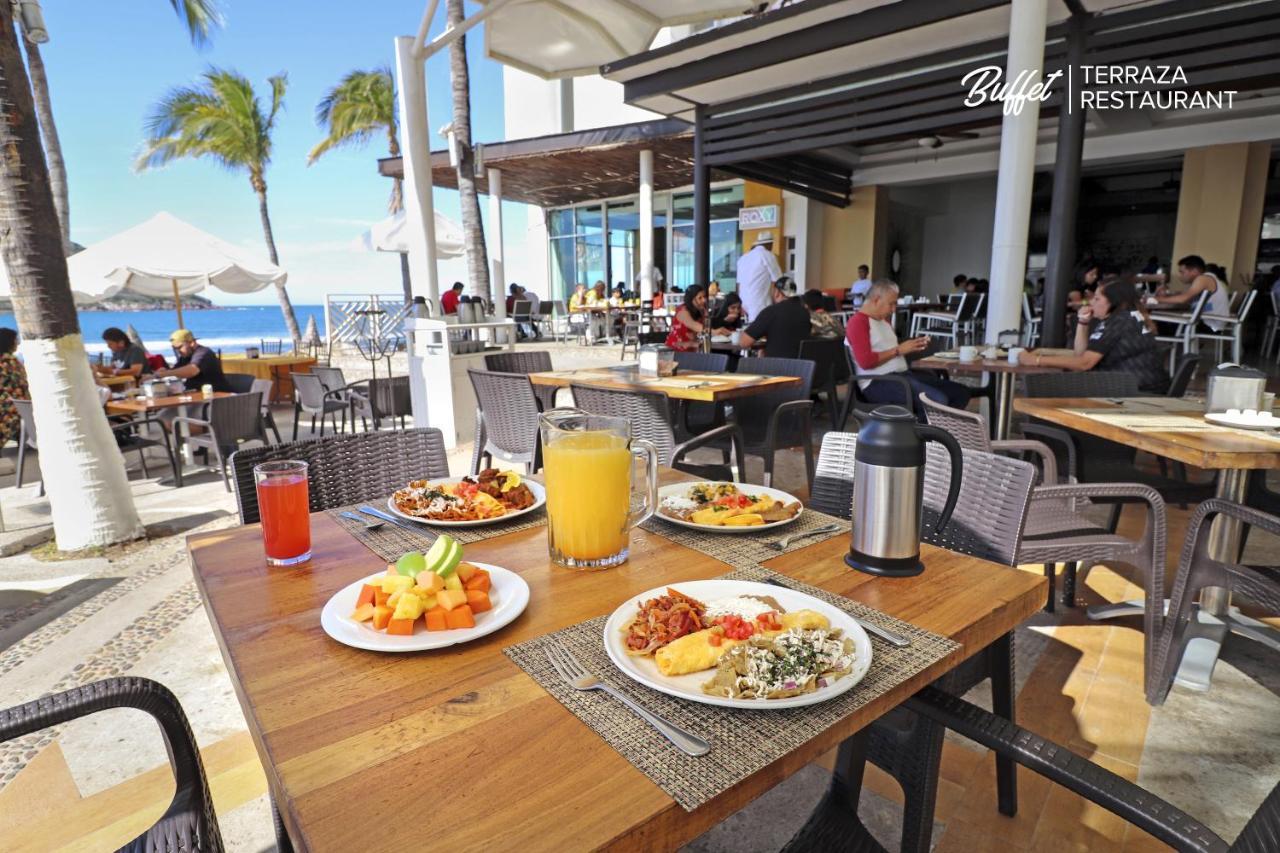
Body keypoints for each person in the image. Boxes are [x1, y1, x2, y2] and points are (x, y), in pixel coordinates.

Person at [1025, 279, 1169, 394]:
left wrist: (1035, 360)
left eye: (1097, 299)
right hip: (1141, 386)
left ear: (1114, 302)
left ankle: (1056, 428)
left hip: (1136, 391)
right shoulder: (1128, 316)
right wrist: (1083, 322)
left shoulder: (1120, 321)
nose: (1091, 302)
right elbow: (1081, 355)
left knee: (1047, 386)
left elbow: (1084, 364)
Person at [846, 280, 970, 409]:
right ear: (876, 300)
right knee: (937, 401)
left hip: (902, 376)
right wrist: (898, 350)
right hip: (876, 383)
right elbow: (866, 362)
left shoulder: (883, 321)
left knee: (960, 392)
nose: (894, 309)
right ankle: (920, 428)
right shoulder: (858, 322)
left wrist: (913, 346)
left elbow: (891, 349)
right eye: (891, 304)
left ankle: (939, 426)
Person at [1154, 254, 1230, 331]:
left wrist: (1154, 299)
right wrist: (1166, 295)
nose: (1180, 276)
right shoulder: (1206, 279)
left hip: (1208, 325)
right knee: (1157, 322)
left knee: (1153, 323)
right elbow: (1185, 296)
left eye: (1182, 272)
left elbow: (1182, 299)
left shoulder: (1203, 279)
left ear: (1194, 271)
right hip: (1208, 322)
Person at [738, 278, 811, 358]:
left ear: (777, 292)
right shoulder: (805, 312)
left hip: (776, 367)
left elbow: (744, 342)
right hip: (802, 367)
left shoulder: (771, 312)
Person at [152, 329, 232, 392]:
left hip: (218, 398)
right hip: (198, 396)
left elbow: (192, 370)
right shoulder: (185, 356)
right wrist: (160, 373)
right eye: (175, 349)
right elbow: (175, 372)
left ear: (192, 343)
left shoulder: (203, 353)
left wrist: (163, 374)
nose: (178, 351)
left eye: (180, 347)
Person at [736, 231, 781, 325]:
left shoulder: (743, 258)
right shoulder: (768, 255)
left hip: (744, 303)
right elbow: (779, 280)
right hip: (760, 302)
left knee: (748, 330)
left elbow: (739, 285)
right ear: (769, 244)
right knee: (759, 332)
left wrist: (740, 304)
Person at [665, 283, 720, 351]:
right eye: (700, 298)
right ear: (691, 300)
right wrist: (715, 332)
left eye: (704, 297)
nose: (704, 300)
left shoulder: (698, 310)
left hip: (691, 350)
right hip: (676, 350)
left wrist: (705, 314)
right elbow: (694, 325)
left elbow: (707, 325)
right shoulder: (682, 311)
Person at [0, 327, 29, 445]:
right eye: (15, 339)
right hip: (12, 409)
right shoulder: (10, 361)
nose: (17, 342)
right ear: (9, 342)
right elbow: (23, 385)